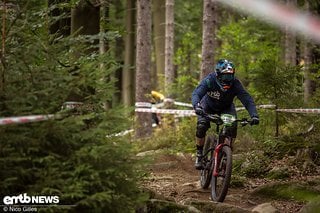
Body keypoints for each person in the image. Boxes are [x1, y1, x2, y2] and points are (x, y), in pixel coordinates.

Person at [191, 59, 259, 170]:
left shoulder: (236, 84)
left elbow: (247, 99)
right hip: (207, 106)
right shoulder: (209, 80)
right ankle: (199, 154)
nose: (228, 80)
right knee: (202, 125)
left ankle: (227, 156)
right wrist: (196, 106)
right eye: (225, 77)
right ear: (218, 74)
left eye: (230, 76)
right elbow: (196, 93)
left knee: (232, 127)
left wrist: (254, 115)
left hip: (226, 108)